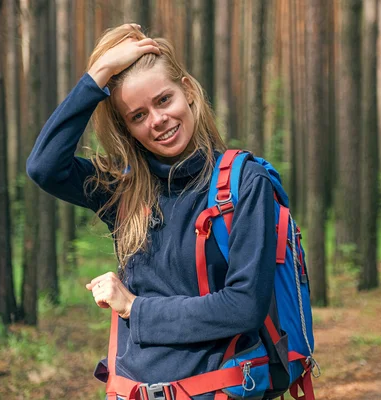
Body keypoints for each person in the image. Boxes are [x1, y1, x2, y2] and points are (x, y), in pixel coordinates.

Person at [27, 23, 276, 399]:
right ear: (127, 128)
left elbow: (244, 306)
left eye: (163, 100)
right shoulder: (122, 189)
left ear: (187, 91)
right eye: (137, 115)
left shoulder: (245, 183)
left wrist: (134, 308)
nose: (157, 120)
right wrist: (99, 75)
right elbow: (45, 167)